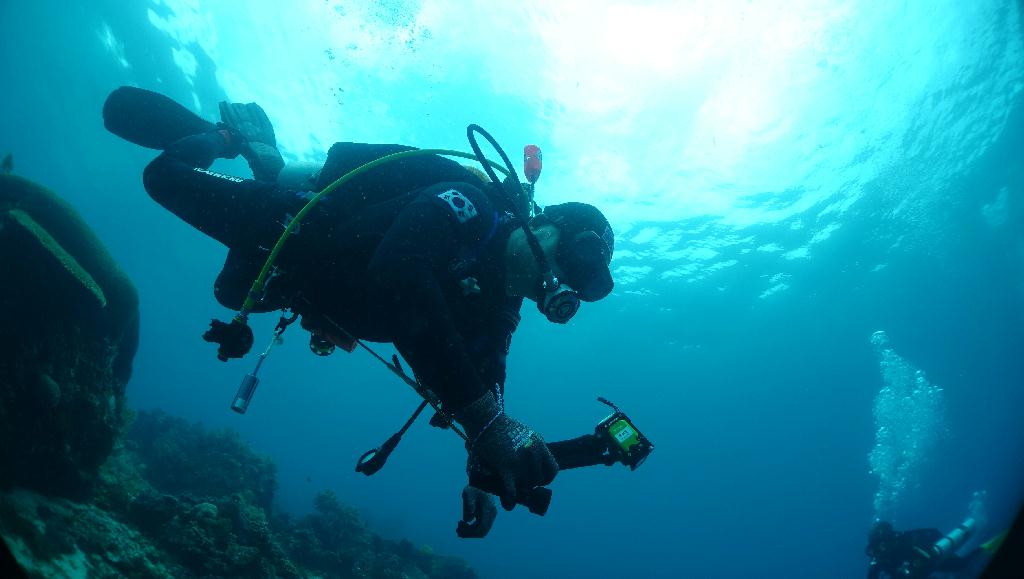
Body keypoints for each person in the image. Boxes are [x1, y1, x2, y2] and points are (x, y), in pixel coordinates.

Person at [115, 89, 616, 538]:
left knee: (230, 291)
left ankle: (266, 160)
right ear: (544, 228)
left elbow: (489, 385)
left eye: (577, 287)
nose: (560, 287)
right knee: (163, 177)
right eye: (569, 264)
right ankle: (231, 138)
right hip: (294, 231)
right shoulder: (470, 203)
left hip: (307, 289)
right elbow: (398, 273)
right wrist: (487, 426)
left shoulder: (499, 306)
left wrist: (485, 475)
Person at [866, 517, 996, 578]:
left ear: (889, 540)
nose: (878, 552)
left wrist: (909, 572)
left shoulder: (907, 543)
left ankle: (984, 548)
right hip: (920, 567)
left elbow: (927, 561)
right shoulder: (880, 558)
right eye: (875, 548)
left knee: (960, 566)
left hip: (934, 558)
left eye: (881, 546)